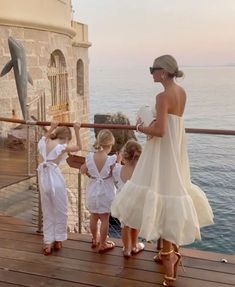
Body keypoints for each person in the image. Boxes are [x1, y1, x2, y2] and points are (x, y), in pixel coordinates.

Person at [111, 55, 214, 286]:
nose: (151, 73)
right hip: (176, 150)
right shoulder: (182, 93)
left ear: (164, 72)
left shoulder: (162, 96)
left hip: (162, 152)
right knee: (173, 190)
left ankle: (170, 267)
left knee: (158, 189)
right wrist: (157, 121)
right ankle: (170, 254)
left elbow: (160, 131)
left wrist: (140, 126)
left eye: (153, 69)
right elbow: (174, 124)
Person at [37, 122, 82, 255]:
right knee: (60, 209)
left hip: (43, 179)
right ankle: (58, 239)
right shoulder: (61, 146)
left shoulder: (43, 142)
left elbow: (47, 135)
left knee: (47, 210)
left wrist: (51, 127)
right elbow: (79, 147)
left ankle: (47, 242)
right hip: (54, 178)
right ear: (67, 138)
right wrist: (77, 130)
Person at [80, 129, 117, 253]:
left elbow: (82, 170)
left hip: (93, 190)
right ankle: (103, 243)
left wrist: (92, 176)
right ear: (110, 144)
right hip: (105, 192)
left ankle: (94, 239)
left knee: (93, 216)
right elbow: (115, 174)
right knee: (104, 218)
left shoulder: (90, 157)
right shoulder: (112, 159)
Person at [112, 139, 145, 258]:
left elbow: (115, 173)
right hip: (136, 202)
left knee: (124, 225)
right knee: (135, 224)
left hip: (123, 203)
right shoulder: (140, 172)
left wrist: (118, 161)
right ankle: (135, 245)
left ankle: (126, 249)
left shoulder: (118, 169)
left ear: (124, 154)